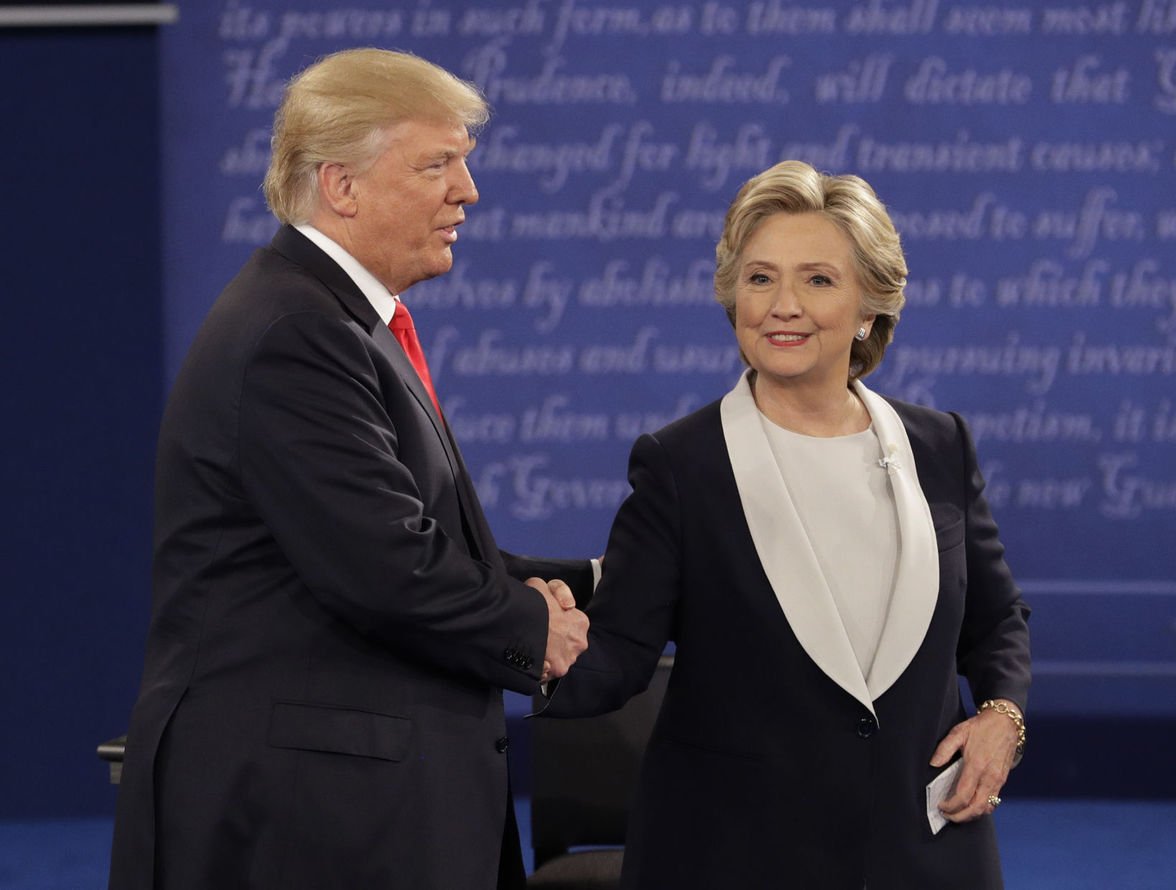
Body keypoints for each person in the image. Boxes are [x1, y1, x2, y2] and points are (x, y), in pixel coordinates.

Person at [109, 48, 590, 890]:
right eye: (437, 164)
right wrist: (531, 628)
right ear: (342, 185)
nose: (466, 192)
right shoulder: (297, 333)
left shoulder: (335, 320)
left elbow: (416, 541)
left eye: (462, 165)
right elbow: (386, 567)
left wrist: (589, 583)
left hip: (345, 803)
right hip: (308, 819)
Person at [541, 160, 1031, 889]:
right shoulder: (681, 464)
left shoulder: (939, 447)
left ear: (870, 306)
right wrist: (537, 643)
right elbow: (621, 654)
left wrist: (1002, 718)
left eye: (819, 280)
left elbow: (995, 622)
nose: (782, 305)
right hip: (733, 856)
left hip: (924, 854)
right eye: (760, 278)